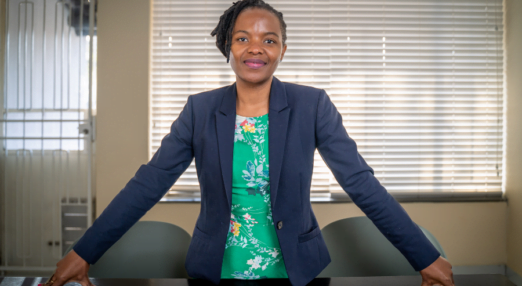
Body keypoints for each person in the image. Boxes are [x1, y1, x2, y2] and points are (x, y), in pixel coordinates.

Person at [47, 0, 455, 285]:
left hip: (297, 272)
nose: (255, 47)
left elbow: (361, 183)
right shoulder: (200, 110)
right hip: (215, 270)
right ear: (228, 46)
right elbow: (148, 184)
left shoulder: (312, 105)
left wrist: (425, 256)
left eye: (269, 39)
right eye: (242, 38)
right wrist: (83, 252)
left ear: (282, 49)